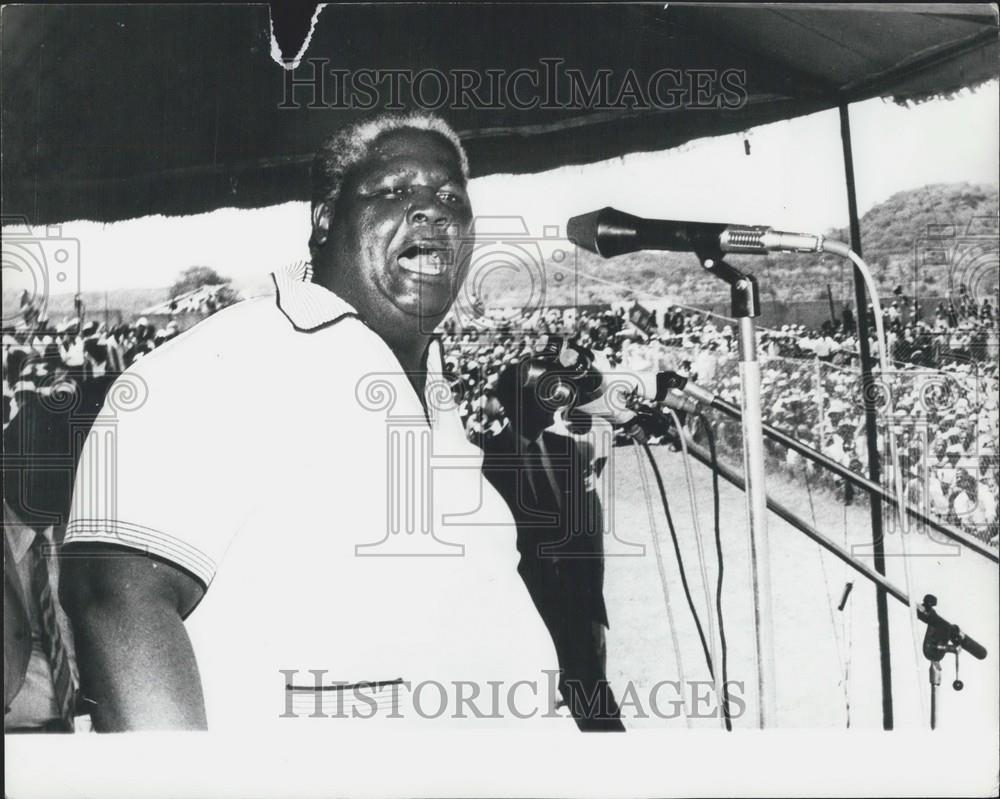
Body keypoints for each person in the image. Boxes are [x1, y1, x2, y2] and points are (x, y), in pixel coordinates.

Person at [60, 113, 562, 731]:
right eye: (395, 190)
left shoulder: (434, 396)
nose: (433, 210)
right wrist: (178, 778)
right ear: (325, 219)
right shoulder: (226, 360)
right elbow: (115, 592)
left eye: (451, 196)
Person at [480, 352, 623, 731]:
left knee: (601, 721)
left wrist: (593, 606)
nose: (556, 404)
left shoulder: (568, 450)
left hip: (576, 608)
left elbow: (589, 535)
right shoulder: (485, 462)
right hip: (528, 610)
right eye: (546, 396)